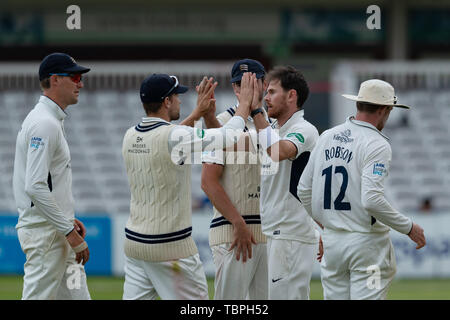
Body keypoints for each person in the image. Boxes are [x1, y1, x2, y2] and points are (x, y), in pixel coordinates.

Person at [121, 72, 255, 300]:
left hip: (135, 246)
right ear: (167, 101)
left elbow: (169, 140)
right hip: (170, 247)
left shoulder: (131, 135)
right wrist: (244, 103)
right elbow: (228, 136)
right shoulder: (173, 136)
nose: (180, 100)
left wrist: (197, 113)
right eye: (176, 96)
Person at [298, 79, 426, 300]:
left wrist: (326, 226)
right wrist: (408, 227)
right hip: (367, 247)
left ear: (359, 104)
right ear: (385, 109)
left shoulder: (327, 136)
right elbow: (371, 200)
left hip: (333, 244)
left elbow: (303, 190)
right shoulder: (376, 143)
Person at [13, 52, 91, 300]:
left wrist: (67, 219)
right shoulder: (44, 123)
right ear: (55, 79)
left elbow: (47, 182)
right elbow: (35, 186)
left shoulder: (49, 120)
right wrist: (68, 229)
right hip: (48, 237)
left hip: (56, 232)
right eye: (75, 77)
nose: (80, 83)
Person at [250, 65, 322, 299]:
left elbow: (278, 152)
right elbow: (231, 147)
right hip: (277, 231)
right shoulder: (272, 128)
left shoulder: (305, 129)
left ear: (292, 96)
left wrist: (254, 111)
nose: (266, 98)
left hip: (290, 233)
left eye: (271, 92)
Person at [201, 59, 268, 299]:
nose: (246, 88)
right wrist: (238, 223)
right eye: (240, 83)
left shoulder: (272, 126)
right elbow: (208, 181)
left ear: (264, 84)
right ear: (234, 88)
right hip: (232, 233)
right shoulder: (220, 121)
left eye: (253, 82)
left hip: (268, 233)